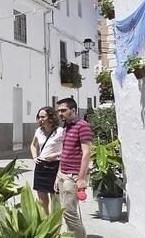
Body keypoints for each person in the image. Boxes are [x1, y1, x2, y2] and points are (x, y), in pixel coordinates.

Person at [54, 98, 92, 238]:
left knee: (69, 212)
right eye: (59, 111)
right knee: (64, 210)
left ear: (74, 110)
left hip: (74, 175)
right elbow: (64, 152)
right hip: (63, 174)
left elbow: (87, 153)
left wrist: (81, 179)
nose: (60, 113)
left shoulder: (83, 126)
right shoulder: (66, 127)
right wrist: (58, 175)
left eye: (63, 110)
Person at [30, 106, 63, 214]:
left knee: (55, 200)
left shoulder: (60, 131)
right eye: (39, 117)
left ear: (51, 117)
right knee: (42, 200)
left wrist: (56, 155)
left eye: (43, 117)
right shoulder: (38, 131)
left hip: (55, 166)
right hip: (41, 166)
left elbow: (67, 149)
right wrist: (35, 157)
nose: (40, 119)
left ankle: (56, 229)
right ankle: (45, 225)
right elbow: (33, 145)